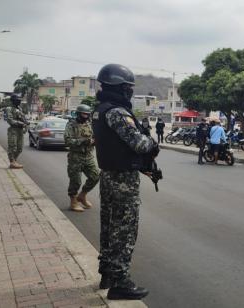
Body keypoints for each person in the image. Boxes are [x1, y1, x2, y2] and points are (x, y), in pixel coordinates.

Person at [92, 64, 159, 300]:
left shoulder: (100, 110)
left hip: (109, 176)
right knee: (124, 230)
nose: (130, 92)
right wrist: (151, 143)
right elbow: (139, 144)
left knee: (109, 228)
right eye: (128, 88)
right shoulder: (118, 112)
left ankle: (107, 273)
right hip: (122, 180)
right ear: (120, 87)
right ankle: (120, 282)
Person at [64, 104, 100, 212]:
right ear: (78, 114)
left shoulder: (89, 124)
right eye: (84, 114)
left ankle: (82, 195)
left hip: (88, 156)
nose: (86, 116)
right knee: (76, 181)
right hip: (75, 157)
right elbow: (67, 141)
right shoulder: (71, 125)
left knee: (95, 176)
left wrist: (95, 141)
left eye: (87, 114)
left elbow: (94, 137)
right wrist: (83, 141)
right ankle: (73, 201)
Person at [5, 94, 28, 169]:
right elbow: (10, 120)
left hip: (20, 130)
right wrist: (21, 123)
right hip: (13, 130)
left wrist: (26, 123)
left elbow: (23, 118)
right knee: (12, 146)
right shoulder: (9, 109)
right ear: (13, 101)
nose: (19, 101)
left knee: (20, 148)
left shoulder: (19, 109)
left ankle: (14, 161)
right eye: (17, 100)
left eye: (19, 100)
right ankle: (12, 162)